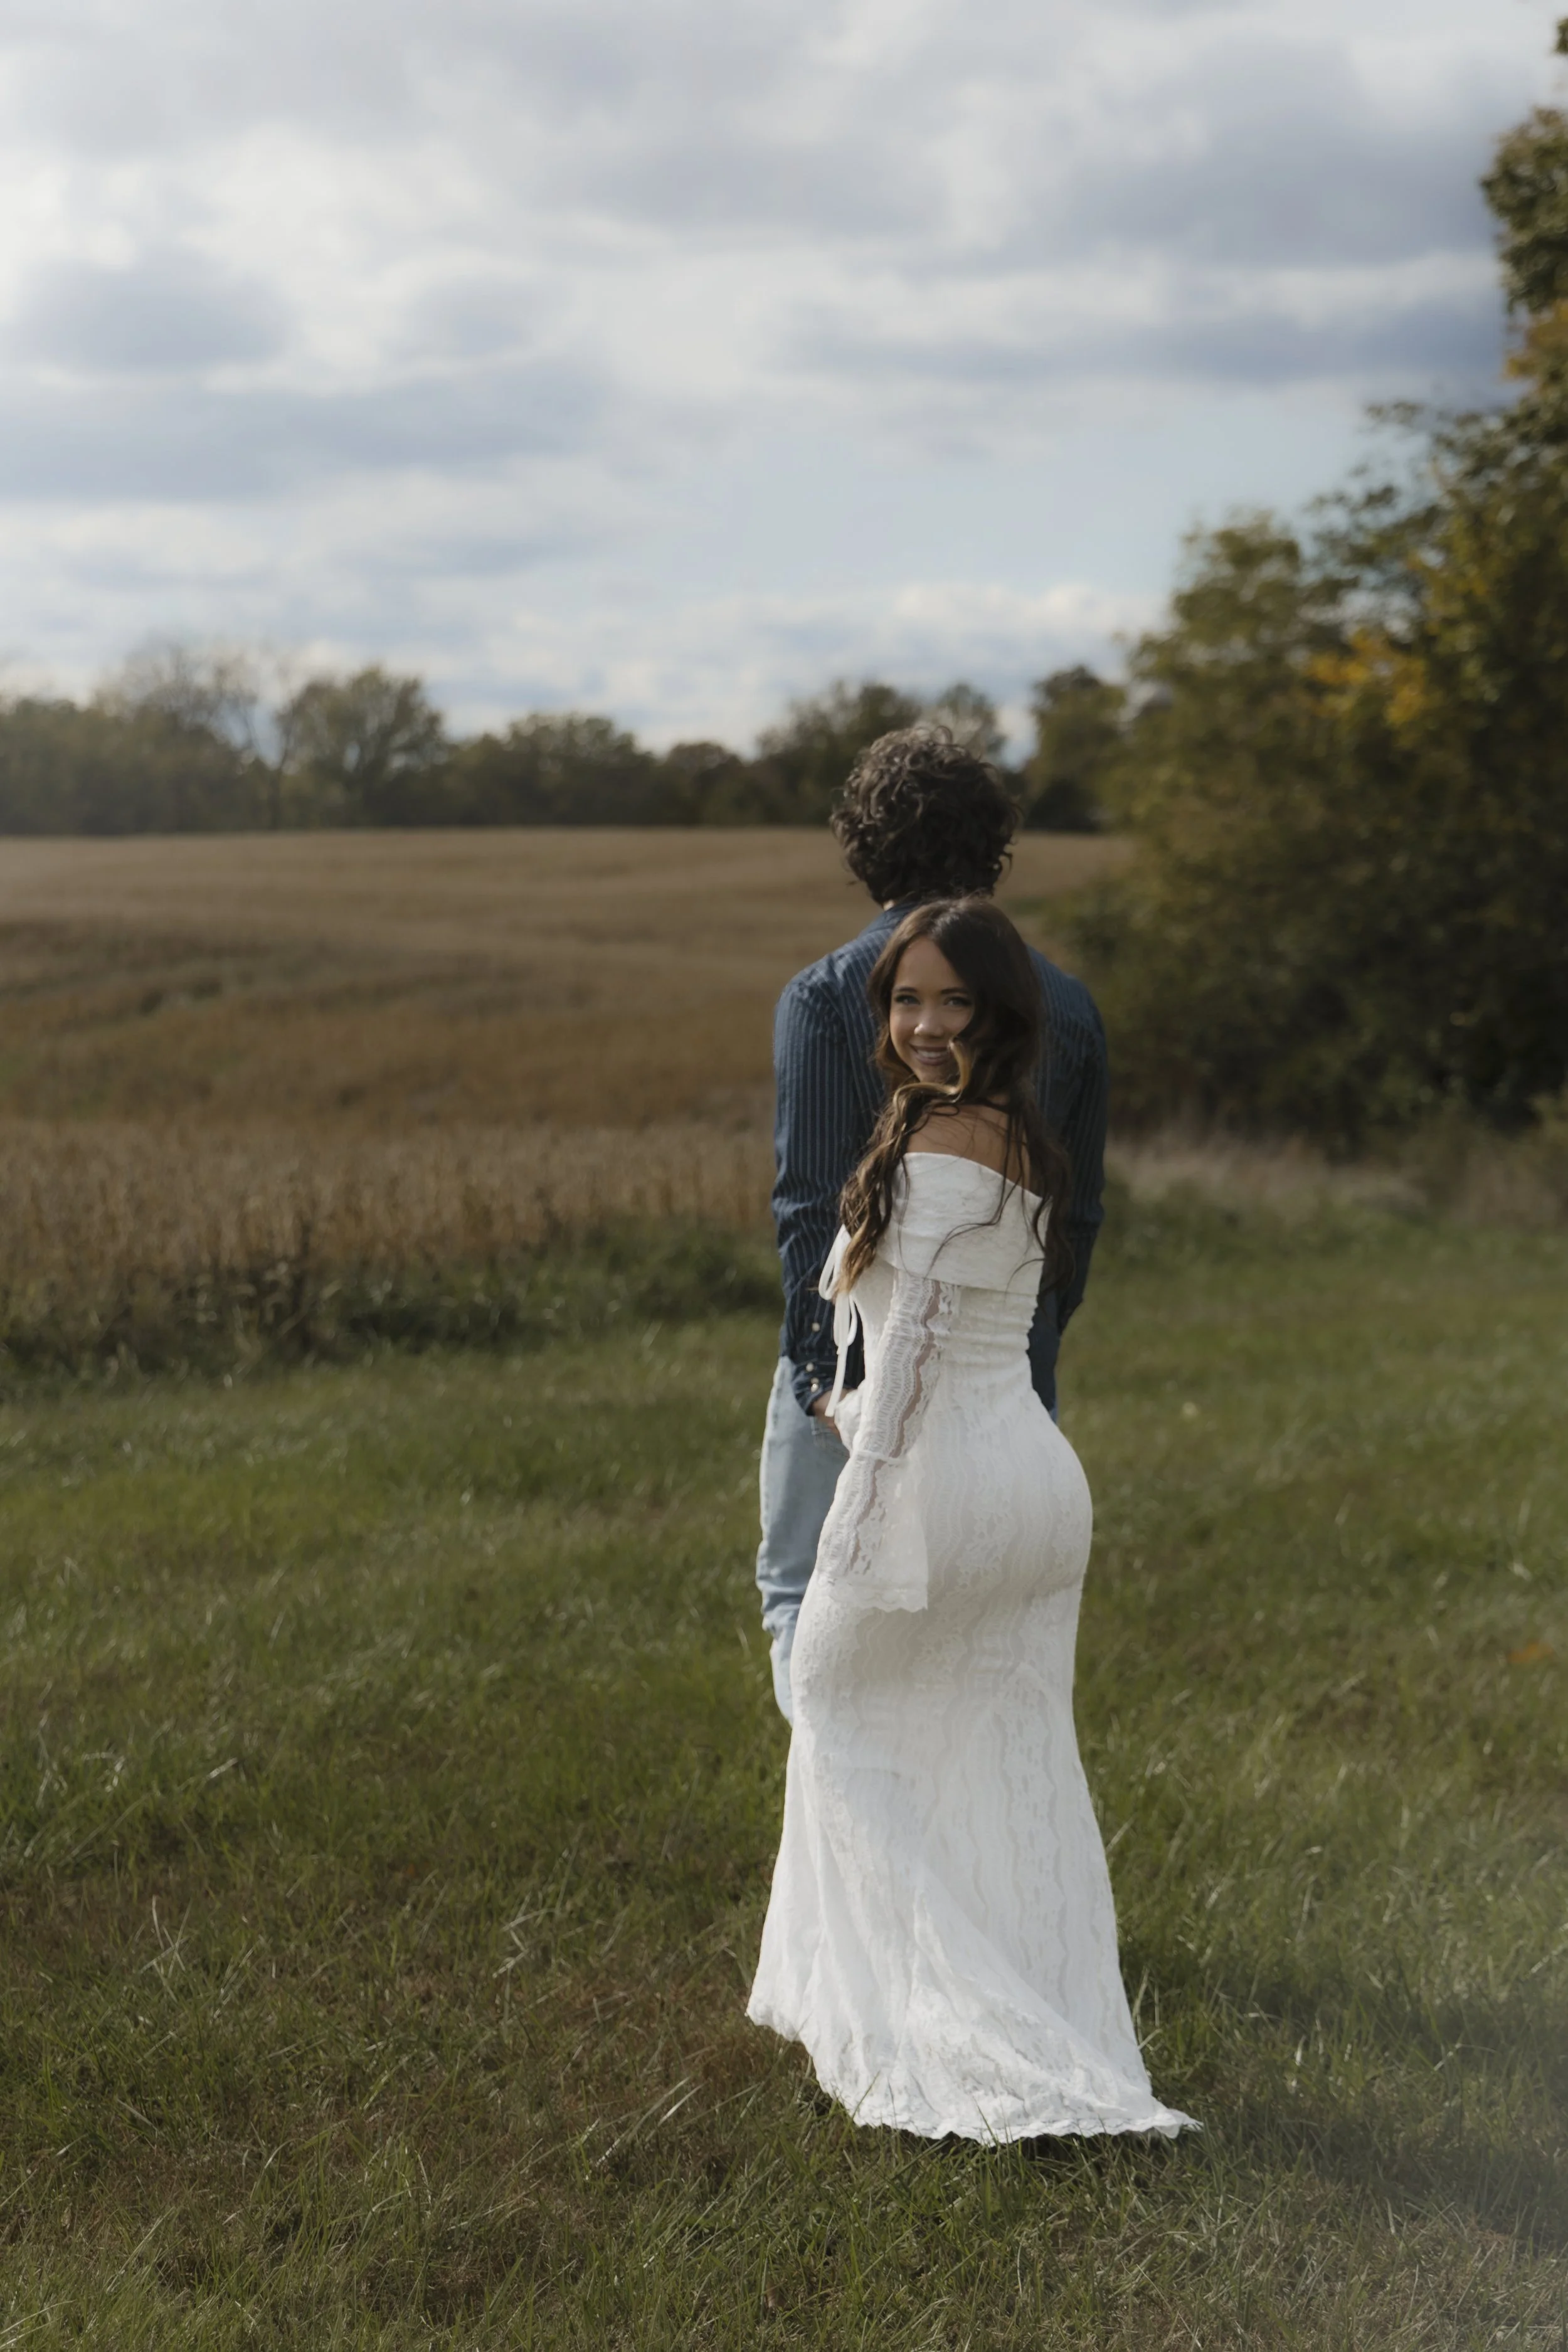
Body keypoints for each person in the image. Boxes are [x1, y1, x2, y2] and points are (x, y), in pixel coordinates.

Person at [747, 898, 1195, 2142]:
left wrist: (855, 1494)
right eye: (905, 1000)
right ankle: (1018, 2009)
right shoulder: (1009, 1130)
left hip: (940, 1479)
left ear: (1004, 1012)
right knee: (1001, 1759)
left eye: (955, 1001)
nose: (927, 1023)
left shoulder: (945, 1138)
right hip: (1027, 1482)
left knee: (834, 1706)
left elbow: (923, 1351)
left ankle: (945, 2027)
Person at [757, 727, 1107, 1721]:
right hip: (1009, 1386)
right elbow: (1076, 1217)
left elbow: (811, 1217)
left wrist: (825, 1383)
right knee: (975, 1642)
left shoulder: (831, 994)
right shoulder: (1068, 1005)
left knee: (804, 1599)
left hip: (865, 1380)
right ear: (992, 845)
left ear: (863, 845)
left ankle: (857, 1829)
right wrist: (1016, 1351)